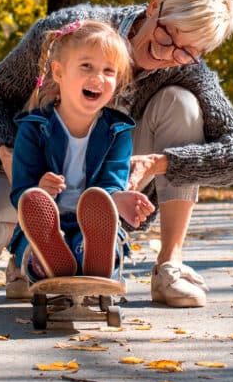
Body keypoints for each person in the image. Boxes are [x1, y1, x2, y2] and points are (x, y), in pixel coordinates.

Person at [0, 0, 233, 307]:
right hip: (31, 166)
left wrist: (158, 163)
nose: (166, 55)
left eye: (186, 51)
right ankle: (28, 249)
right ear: (155, 5)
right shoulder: (69, 32)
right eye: (166, 37)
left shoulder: (185, 66)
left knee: (182, 104)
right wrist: (11, 156)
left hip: (107, 179)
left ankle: (168, 266)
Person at [8, 21, 154, 284]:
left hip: (94, 225)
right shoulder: (34, 129)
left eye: (108, 71)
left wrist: (119, 200)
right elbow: (21, 191)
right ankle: (45, 261)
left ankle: (92, 255)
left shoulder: (117, 131)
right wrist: (40, 189)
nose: (98, 78)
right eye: (86, 66)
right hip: (46, 224)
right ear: (59, 72)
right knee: (31, 240)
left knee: (105, 237)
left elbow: (110, 185)